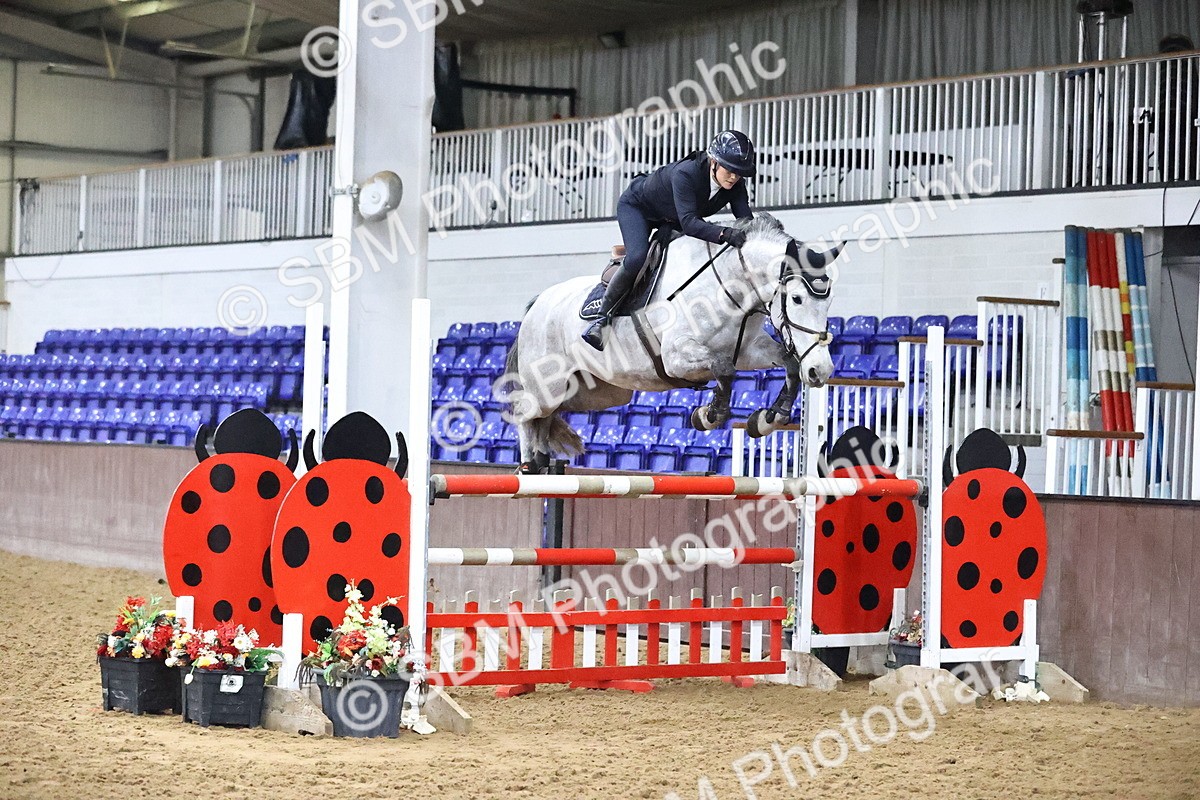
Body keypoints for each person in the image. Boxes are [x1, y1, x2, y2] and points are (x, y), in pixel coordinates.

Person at [581, 129, 757, 350]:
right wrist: (724, 233)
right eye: (730, 170)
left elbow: (746, 220)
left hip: (671, 218)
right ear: (713, 162)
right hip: (638, 208)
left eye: (739, 173)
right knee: (637, 257)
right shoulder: (687, 173)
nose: (734, 177)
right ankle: (602, 319)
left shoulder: (735, 184)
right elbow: (690, 223)